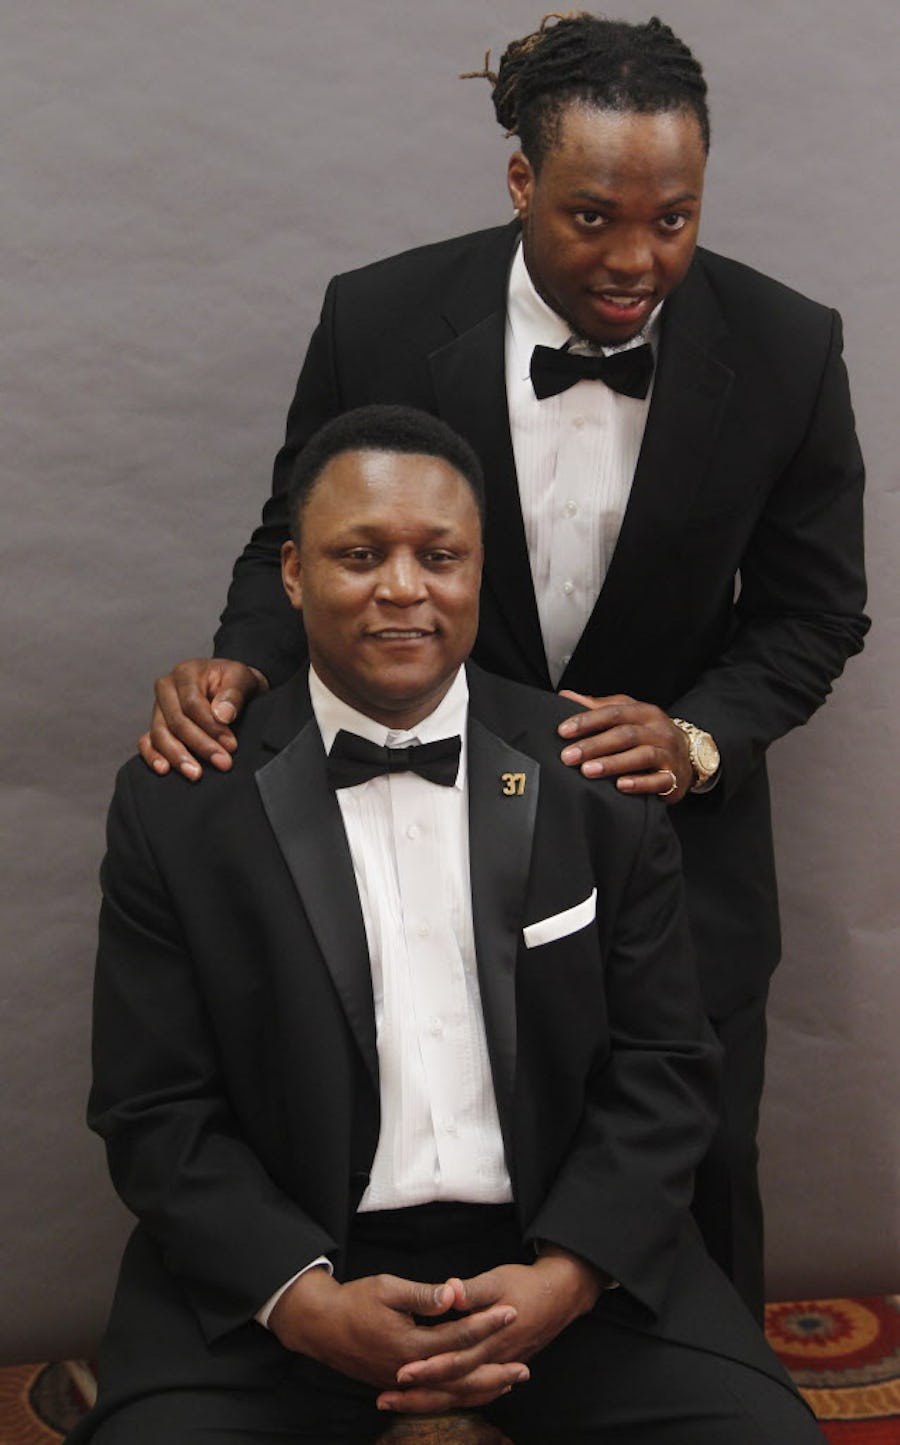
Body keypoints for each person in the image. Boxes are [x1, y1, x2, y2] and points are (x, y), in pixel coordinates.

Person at [136, 15, 869, 1320]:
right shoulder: (379, 314)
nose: (639, 261)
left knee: (691, 1179)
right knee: (392, 1133)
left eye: (677, 219)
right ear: (521, 180)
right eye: (595, 218)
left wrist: (696, 742)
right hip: (418, 814)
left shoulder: (791, 347)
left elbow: (816, 614)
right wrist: (239, 671)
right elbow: (284, 540)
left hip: (669, 843)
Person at [72, 405, 826, 1445]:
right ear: (292, 573)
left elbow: (666, 1064)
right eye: (359, 553)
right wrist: (303, 1300)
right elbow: (153, 1107)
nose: (402, 587)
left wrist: (564, 1277)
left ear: (480, 572)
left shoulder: (592, 773)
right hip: (280, 1275)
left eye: (439, 554)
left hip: (561, 1263)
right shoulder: (182, 800)